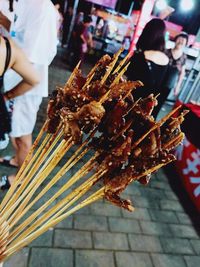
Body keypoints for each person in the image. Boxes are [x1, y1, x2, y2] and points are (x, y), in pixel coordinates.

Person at [0, 0, 58, 188]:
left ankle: (21, 178)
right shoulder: (26, 3)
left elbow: (32, 56)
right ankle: (17, 160)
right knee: (15, 130)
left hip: (25, 85)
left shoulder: (42, 8)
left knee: (22, 135)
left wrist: (9, 95)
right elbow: (19, 33)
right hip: (15, 79)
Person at [0, 35, 40, 189]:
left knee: (23, 139)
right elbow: (34, 79)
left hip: (26, 101)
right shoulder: (8, 46)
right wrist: (7, 96)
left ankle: (21, 176)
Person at [126, 18, 169, 117]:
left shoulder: (139, 57)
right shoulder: (167, 60)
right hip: (149, 113)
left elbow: (127, 80)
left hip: (131, 109)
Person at [165, 32, 188, 96]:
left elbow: (182, 73)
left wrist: (178, 86)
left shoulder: (184, 57)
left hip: (169, 85)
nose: (180, 42)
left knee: (160, 102)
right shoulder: (166, 51)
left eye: (183, 40)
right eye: (179, 39)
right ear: (175, 40)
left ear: (185, 44)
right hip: (158, 82)